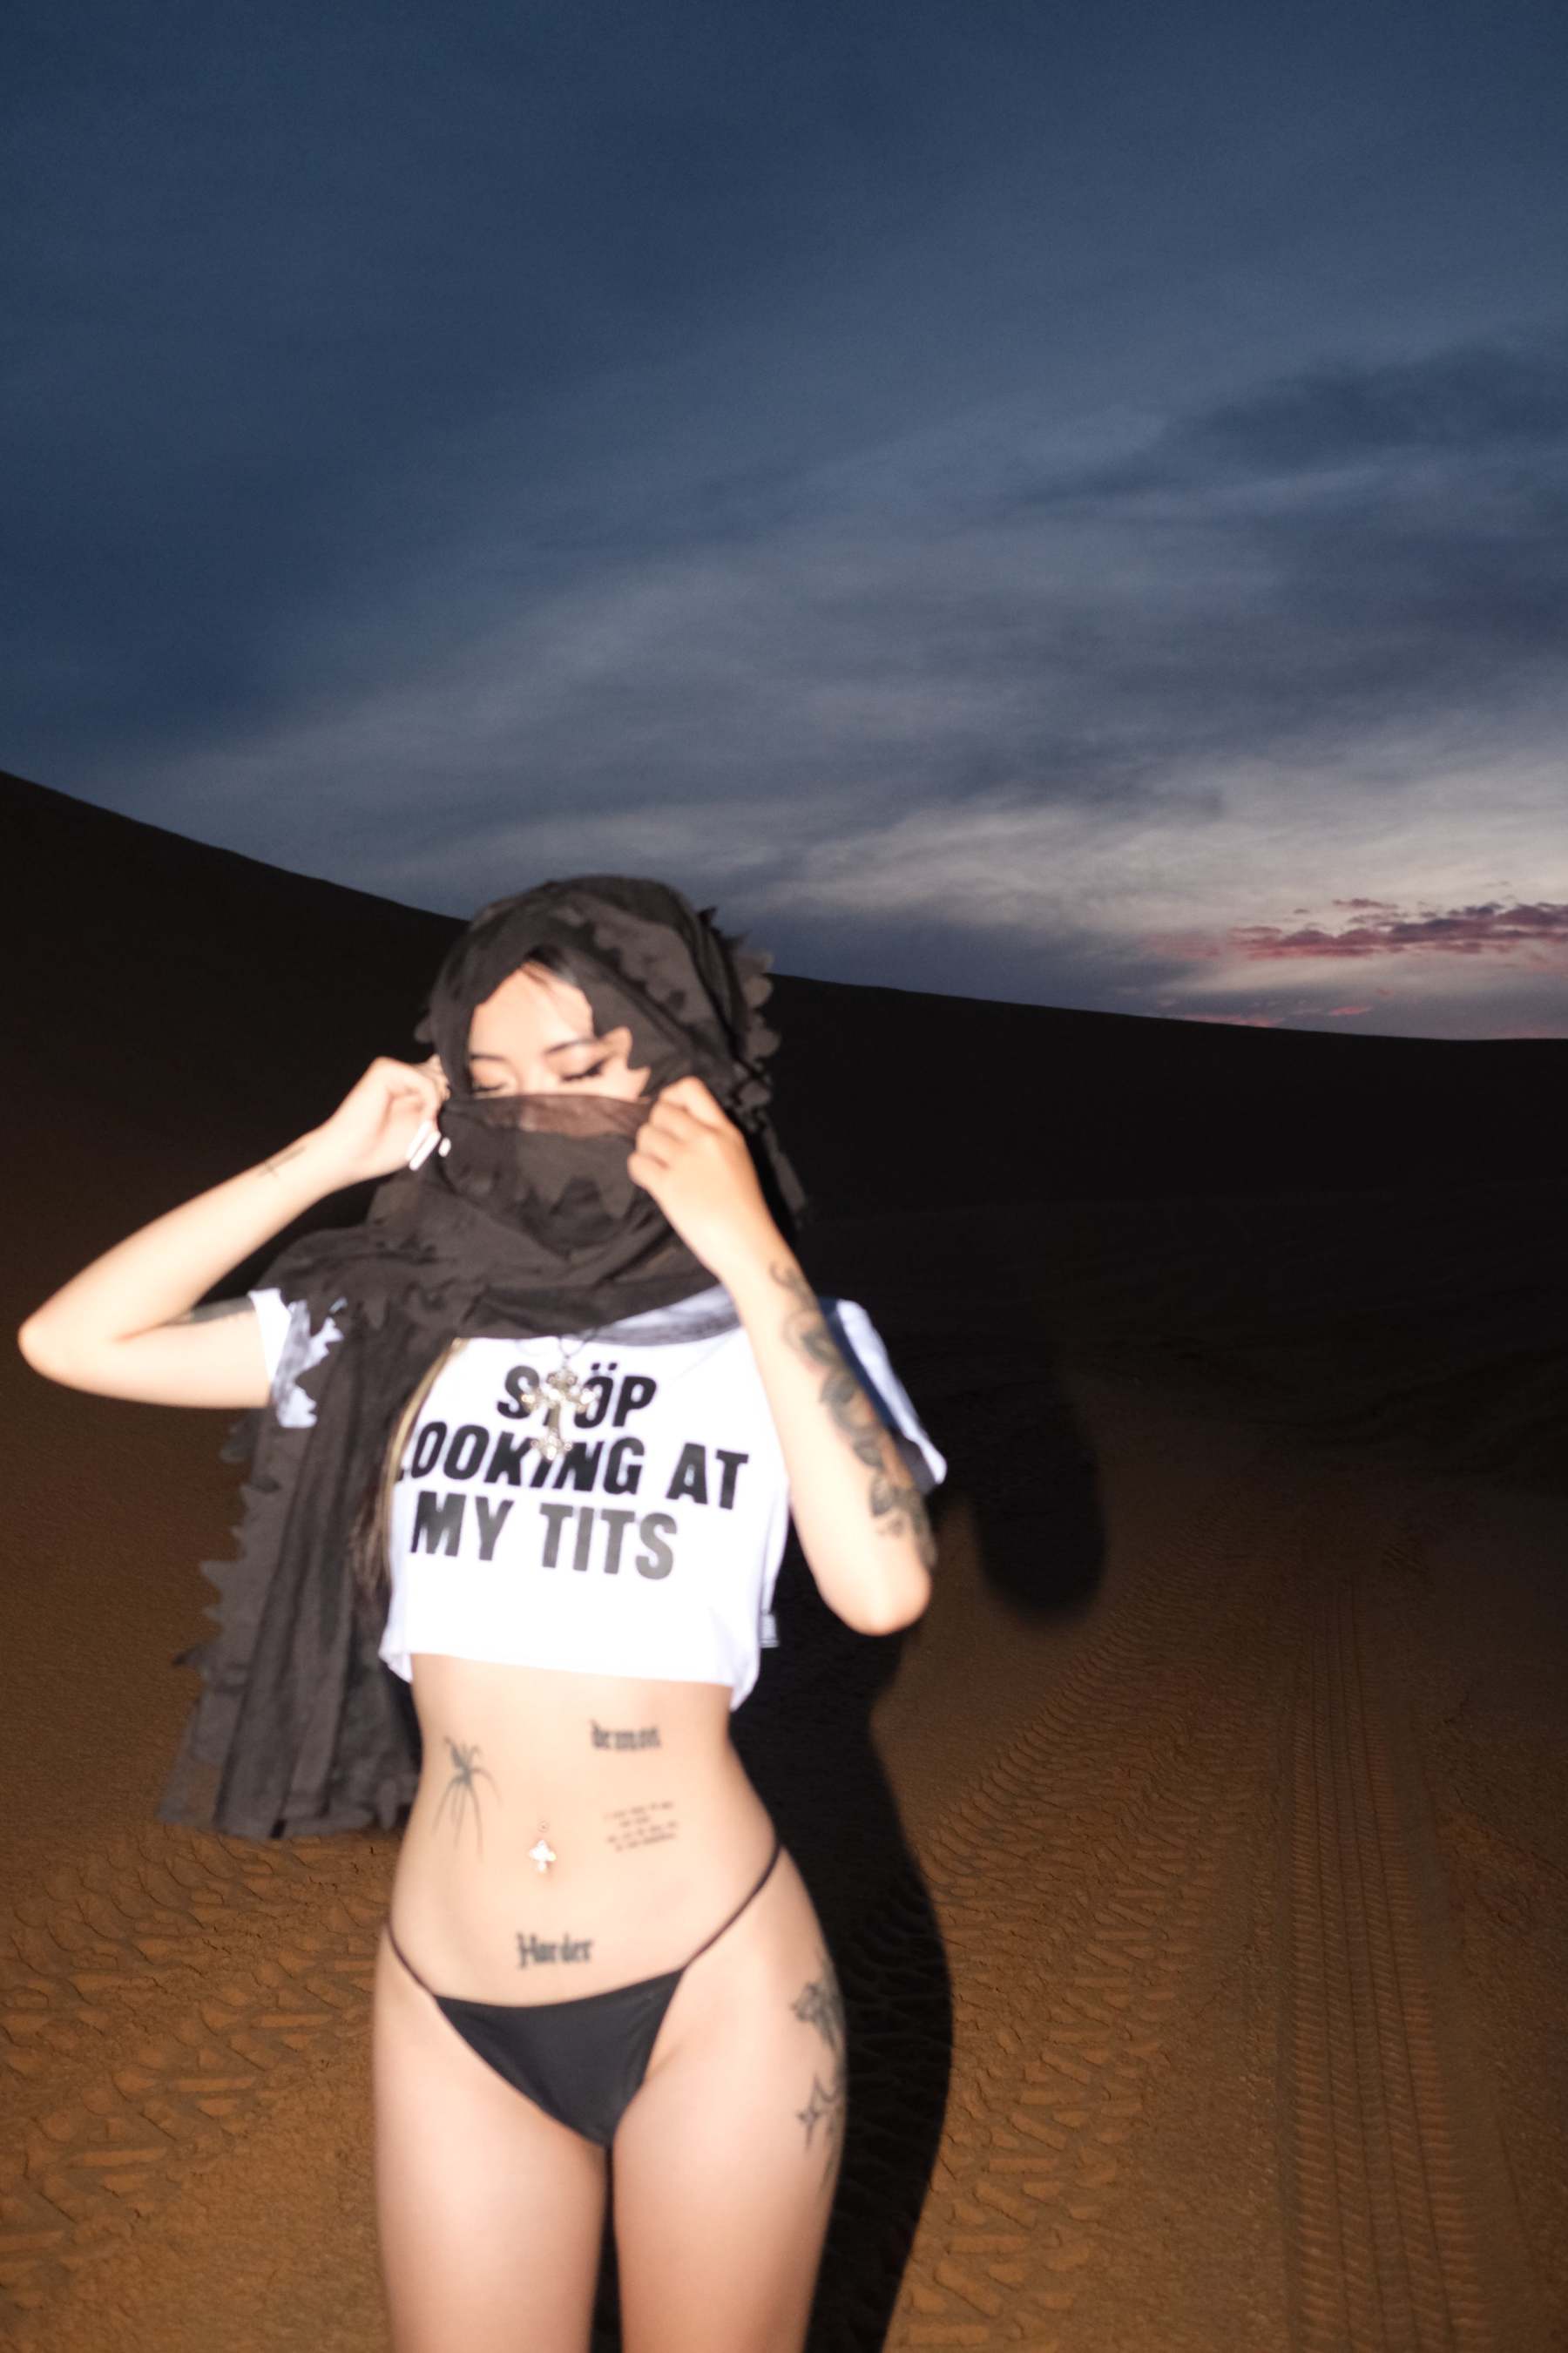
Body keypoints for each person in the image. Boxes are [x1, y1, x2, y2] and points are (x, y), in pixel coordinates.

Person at [17, 874, 947, 2353]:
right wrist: (324, 1161)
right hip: (446, 2000)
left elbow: (883, 1582)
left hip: (713, 1984)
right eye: (491, 1083)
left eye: (580, 1070)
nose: (530, 1114)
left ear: (685, 1073)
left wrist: (751, 1245)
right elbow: (75, 1339)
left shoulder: (776, 1340)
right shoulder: (397, 1329)